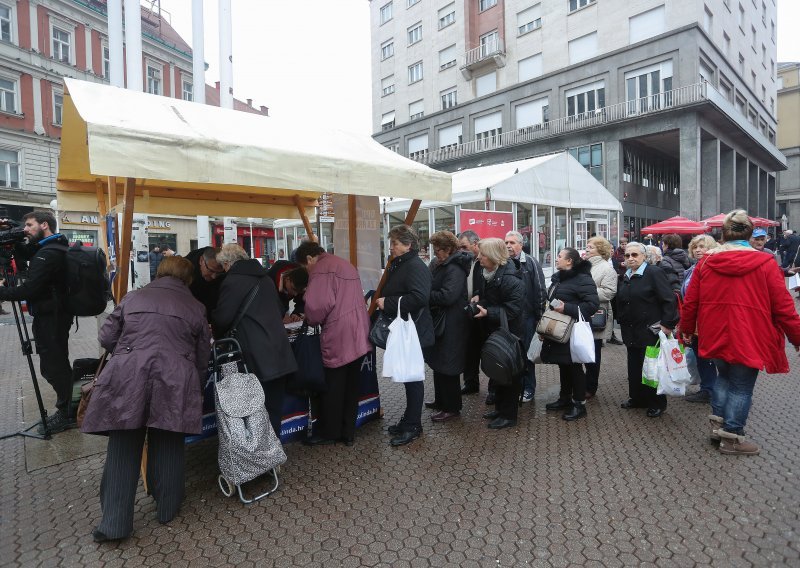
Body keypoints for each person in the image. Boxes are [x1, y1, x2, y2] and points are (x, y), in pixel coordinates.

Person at [81, 256, 211, 542]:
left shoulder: (133, 297)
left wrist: (131, 350)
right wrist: (195, 385)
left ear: (160, 272)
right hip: (176, 379)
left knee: (124, 446)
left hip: (129, 376)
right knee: (169, 442)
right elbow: (203, 356)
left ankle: (113, 526)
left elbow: (106, 337)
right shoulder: (195, 307)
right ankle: (166, 509)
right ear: (188, 279)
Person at [682, 211, 800, 455]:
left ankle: (718, 427)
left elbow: (691, 301)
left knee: (723, 378)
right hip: (749, 334)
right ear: (749, 233)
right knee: (741, 387)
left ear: (723, 234)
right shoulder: (766, 263)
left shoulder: (706, 262)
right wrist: (796, 337)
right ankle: (732, 437)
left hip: (714, 333)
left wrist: (686, 330)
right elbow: (784, 307)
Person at [212, 244, 297, 436]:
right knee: (273, 408)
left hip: (256, 355)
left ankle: (258, 459)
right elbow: (280, 310)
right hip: (279, 351)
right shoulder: (265, 278)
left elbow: (223, 318)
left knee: (254, 410)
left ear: (228, 263)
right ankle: (273, 457)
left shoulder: (233, 281)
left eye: (223, 266)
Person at [0, 212, 73, 433]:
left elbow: (30, 289)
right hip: (55, 315)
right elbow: (24, 253)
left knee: (54, 367)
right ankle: (68, 407)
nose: (26, 229)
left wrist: (2, 291)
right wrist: (11, 234)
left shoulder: (47, 254)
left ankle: (66, 413)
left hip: (52, 318)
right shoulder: (53, 246)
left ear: (44, 225)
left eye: (30, 225)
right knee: (56, 364)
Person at [295, 241, 372, 446]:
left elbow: (317, 306)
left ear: (310, 259)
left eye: (305, 266)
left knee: (334, 386)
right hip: (359, 330)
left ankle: (330, 432)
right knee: (351, 385)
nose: (307, 270)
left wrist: (309, 318)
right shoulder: (344, 263)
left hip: (340, 334)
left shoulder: (321, 269)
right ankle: (348, 431)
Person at [377, 225, 434, 446]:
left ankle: (413, 425)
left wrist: (387, 303)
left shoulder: (415, 266)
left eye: (395, 243)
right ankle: (409, 420)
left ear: (408, 245)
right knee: (409, 378)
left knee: (413, 378)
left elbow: (420, 297)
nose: (391, 248)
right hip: (407, 328)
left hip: (413, 330)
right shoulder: (402, 264)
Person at [616, 241, 679, 418]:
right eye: (627, 255)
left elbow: (668, 299)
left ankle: (656, 402)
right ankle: (637, 398)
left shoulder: (653, 272)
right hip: (631, 329)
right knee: (634, 365)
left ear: (644, 256)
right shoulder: (626, 274)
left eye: (635, 255)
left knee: (652, 366)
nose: (630, 258)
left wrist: (668, 323)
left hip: (650, 329)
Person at [470, 238, 524, 430]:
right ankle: (500, 409)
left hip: (510, 334)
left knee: (509, 374)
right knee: (499, 373)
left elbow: (513, 310)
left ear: (493, 256)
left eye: (483, 254)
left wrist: (488, 312)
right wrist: (480, 300)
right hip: (497, 331)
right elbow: (492, 298)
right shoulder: (490, 273)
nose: (479, 257)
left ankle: (509, 415)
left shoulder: (509, 278)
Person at [541, 248, 599, 421]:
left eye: (559, 256)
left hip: (573, 330)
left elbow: (592, 305)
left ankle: (579, 404)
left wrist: (567, 308)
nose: (556, 258)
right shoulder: (558, 278)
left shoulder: (583, 279)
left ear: (570, 261)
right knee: (563, 364)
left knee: (574, 368)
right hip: (559, 329)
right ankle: (564, 398)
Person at [422, 231, 472, 422]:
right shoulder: (443, 264)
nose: (436, 253)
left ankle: (452, 407)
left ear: (449, 249)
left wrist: (427, 296)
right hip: (443, 320)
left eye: (439, 250)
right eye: (435, 249)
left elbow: (448, 296)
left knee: (448, 364)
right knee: (439, 362)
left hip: (452, 322)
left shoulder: (455, 268)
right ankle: (441, 400)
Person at [505, 230, 546, 403]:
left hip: (527, 317)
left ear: (521, 245)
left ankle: (528, 388)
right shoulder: (503, 262)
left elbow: (539, 290)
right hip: (509, 317)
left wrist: (539, 316)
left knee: (527, 354)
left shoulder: (530, 263)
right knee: (511, 354)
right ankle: (514, 387)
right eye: (506, 242)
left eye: (512, 243)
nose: (508, 246)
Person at [681, 234, 720, 404]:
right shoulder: (691, 269)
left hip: (708, 321)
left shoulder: (713, 268)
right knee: (700, 357)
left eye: (702, 246)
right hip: (694, 321)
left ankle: (711, 390)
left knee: (710, 358)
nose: (698, 250)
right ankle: (708, 388)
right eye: (695, 247)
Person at [583, 237, 617, 400]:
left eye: (591, 247)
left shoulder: (606, 268)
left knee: (593, 353)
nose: (587, 249)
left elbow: (609, 292)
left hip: (595, 315)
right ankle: (581, 383)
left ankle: (591, 386)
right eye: (587, 246)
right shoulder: (583, 265)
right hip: (579, 314)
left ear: (600, 249)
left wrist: (585, 291)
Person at [457, 230, 483, 396]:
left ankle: (494, 387)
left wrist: (480, 295)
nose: (462, 251)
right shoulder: (462, 261)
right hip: (466, 311)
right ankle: (470, 381)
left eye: (464, 247)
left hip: (482, 311)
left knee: (486, 349)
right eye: (459, 247)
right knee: (469, 349)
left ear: (475, 244)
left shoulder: (484, 259)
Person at [183, 246, 224, 321]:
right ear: (201, 260)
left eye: (218, 273)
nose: (214, 277)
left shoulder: (224, 273)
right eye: (211, 271)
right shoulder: (184, 272)